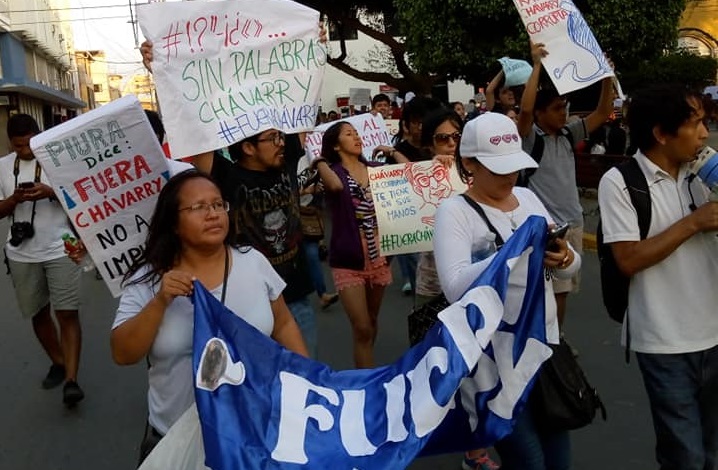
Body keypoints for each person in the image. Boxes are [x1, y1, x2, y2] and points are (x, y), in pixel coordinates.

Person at [112, 171, 308, 464]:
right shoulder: (148, 280)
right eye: (198, 207)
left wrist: (309, 382)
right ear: (174, 223)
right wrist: (160, 302)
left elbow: (283, 323)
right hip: (175, 440)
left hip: (253, 435)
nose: (213, 214)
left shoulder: (252, 262)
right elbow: (123, 353)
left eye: (218, 205)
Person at [434, 112, 580, 470]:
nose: (510, 177)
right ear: (469, 162)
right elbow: (454, 287)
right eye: (498, 169)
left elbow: (571, 264)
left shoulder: (528, 198)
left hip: (543, 351)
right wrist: (513, 251)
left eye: (514, 167)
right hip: (492, 366)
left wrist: (563, 257)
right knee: (528, 460)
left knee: (560, 459)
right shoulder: (453, 211)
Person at [598, 84, 718, 470]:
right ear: (661, 133)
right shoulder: (620, 182)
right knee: (685, 455)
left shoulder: (704, 171)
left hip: (715, 334)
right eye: (695, 123)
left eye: (705, 122)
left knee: (713, 453)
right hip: (664, 342)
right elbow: (628, 259)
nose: (704, 133)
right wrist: (694, 222)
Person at [193, 130, 319, 359]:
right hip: (250, 304)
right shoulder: (227, 177)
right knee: (257, 383)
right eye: (272, 139)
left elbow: (296, 110)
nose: (280, 143)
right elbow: (200, 144)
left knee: (306, 378)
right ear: (248, 148)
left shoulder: (286, 163)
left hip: (295, 295)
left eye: (281, 137)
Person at [517, 41, 613, 330]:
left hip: (573, 223)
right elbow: (524, 111)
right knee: (554, 293)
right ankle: (553, 345)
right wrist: (536, 65)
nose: (564, 113)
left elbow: (601, 112)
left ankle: (553, 339)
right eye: (558, 108)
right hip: (548, 229)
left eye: (565, 107)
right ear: (540, 114)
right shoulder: (531, 138)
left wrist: (606, 77)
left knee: (563, 291)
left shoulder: (568, 134)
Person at [0, 114, 84, 406]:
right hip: (21, 253)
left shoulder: (57, 160)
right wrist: (13, 200)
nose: (26, 150)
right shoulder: (2, 167)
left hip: (60, 248)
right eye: (19, 146)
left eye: (30, 143)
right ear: (11, 143)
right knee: (38, 313)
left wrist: (50, 192)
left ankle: (72, 380)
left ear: (38, 136)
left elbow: (80, 198)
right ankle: (59, 361)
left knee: (67, 313)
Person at [313, 122, 392, 368]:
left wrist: (391, 151)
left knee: (372, 321)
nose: (357, 137)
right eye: (349, 134)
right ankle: (365, 381)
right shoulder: (333, 172)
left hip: (379, 256)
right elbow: (336, 186)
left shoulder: (376, 169)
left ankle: (367, 363)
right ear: (336, 145)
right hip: (348, 259)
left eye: (357, 133)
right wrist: (319, 162)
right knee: (361, 326)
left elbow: (409, 172)